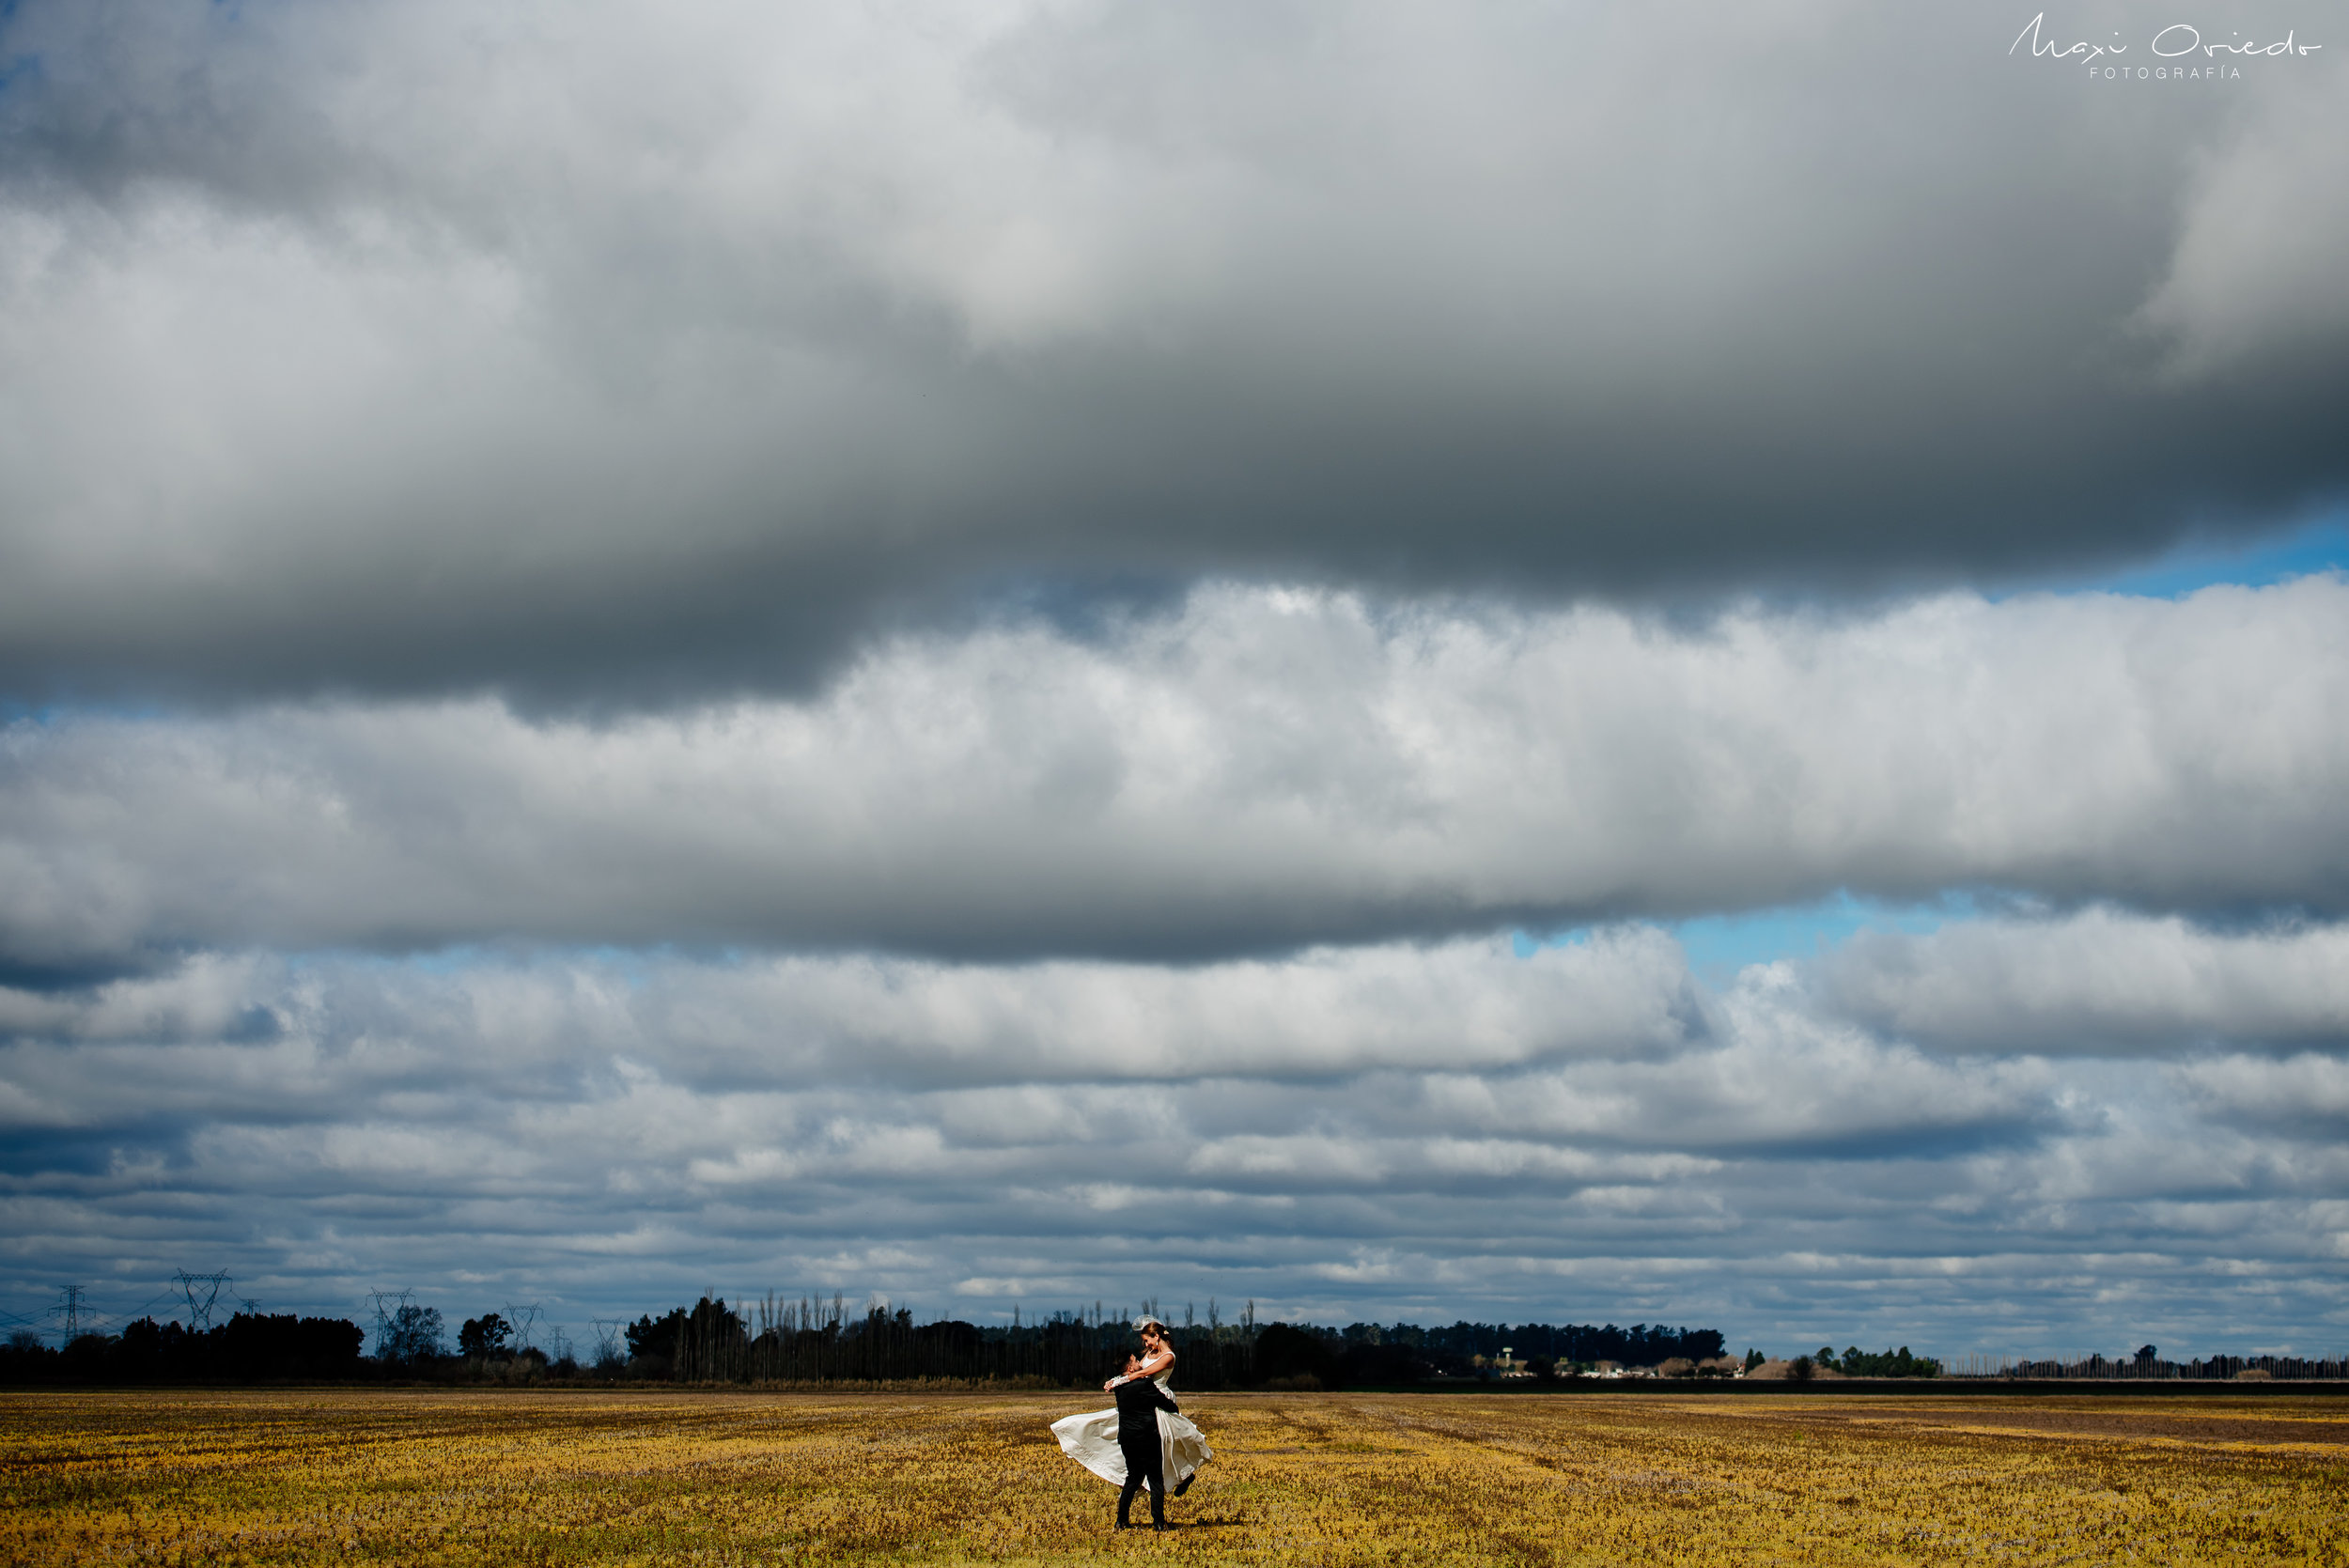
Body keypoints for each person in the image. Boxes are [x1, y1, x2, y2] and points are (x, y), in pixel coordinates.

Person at [1049, 1316, 1215, 1519]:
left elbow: (1140, 1373)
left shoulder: (1168, 1356)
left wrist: (1117, 1381)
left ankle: (1182, 1478)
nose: (1144, 1345)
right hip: (1143, 1396)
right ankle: (1170, 1484)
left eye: (1147, 1340)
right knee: (1152, 1445)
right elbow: (1133, 1369)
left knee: (1166, 1445)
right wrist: (1116, 1381)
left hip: (1157, 1396)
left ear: (1156, 1336)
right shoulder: (1151, 1352)